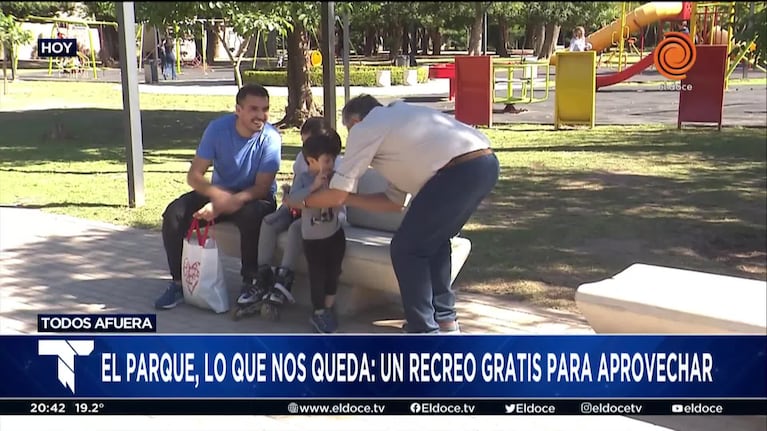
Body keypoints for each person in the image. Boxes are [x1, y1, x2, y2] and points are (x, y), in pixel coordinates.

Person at [302, 95, 499, 334]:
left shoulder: (366, 127)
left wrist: (304, 200)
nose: (351, 139)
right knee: (433, 243)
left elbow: (336, 193)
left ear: (354, 121)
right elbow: (394, 203)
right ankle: (444, 320)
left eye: (349, 130)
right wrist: (348, 198)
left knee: (405, 249)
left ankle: (423, 331)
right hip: (485, 163)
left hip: (457, 170)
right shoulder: (398, 129)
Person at [154, 83, 281, 310]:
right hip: (220, 191)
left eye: (265, 109)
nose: (261, 115)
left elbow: (262, 187)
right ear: (238, 110)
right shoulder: (217, 130)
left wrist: (221, 206)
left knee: (251, 214)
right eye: (254, 109)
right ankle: (178, 283)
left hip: (254, 197)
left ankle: (250, 281)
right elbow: (194, 176)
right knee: (174, 213)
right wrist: (216, 196)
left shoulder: (271, 138)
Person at [237, 117, 344, 313]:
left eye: (310, 143)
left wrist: (302, 200)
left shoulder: (333, 164)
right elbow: (297, 188)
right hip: (297, 205)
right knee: (269, 222)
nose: (307, 149)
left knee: (296, 228)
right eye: (304, 143)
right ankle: (263, 276)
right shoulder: (303, 160)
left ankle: (284, 279)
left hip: (316, 214)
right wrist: (289, 198)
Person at [285, 133, 346, 333]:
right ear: (311, 161)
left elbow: (343, 199)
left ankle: (328, 308)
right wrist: (313, 187)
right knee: (317, 275)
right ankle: (318, 311)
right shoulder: (303, 179)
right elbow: (293, 200)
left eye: (333, 160)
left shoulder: (335, 177)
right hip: (313, 239)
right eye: (327, 160)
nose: (331, 164)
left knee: (334, 272)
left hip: (335, 234)